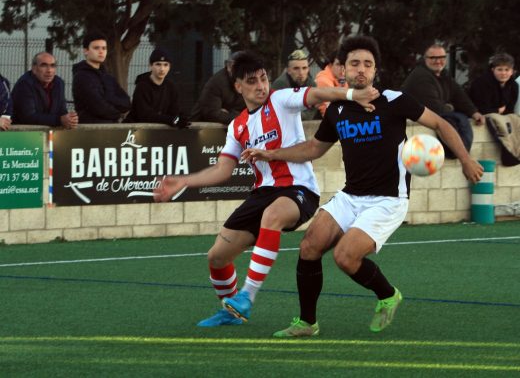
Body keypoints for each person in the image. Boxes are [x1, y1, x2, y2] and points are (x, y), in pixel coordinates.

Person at [241, 36, 483, 337]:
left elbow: (441, 124)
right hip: (350, 195)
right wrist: (272, 154)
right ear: (342, 69)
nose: (361, 70)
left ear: (375, 70)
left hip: (388, 200)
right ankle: (307, 323)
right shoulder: (337, 109)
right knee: (309, 246)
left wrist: (465, 160)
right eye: (354, 63)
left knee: (345, 257)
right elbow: (315, 148)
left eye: (367, 64)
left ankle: (388, 294)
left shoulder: (394, 100)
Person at [154, 50, 378, 327]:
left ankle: (247, 296)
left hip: (299, 191)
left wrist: (351, 96)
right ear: (238, 87)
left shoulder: (281, 100)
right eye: (252, 81)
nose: (261, 86)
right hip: (262, 193)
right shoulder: (237, 126)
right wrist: (184, 181)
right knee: (217, 256)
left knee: (272, 215)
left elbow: (317, 95)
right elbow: (223, 169)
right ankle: (231, 311)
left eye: (263, 79)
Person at [401, 43, 486, 158]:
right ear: (425, 59)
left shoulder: (443, 74)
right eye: (433, 58)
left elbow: (459, 95)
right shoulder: (421, 77)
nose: (438, 61)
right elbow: (436, 109)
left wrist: (474, 112)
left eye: (441, 57)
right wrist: (450, 107)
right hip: (416, 136)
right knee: (457, 118)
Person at [470, 53, 520, 166]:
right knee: (499, 121)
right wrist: (497, 110)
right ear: (493, 70)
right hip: (484, 113)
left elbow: (510, 108)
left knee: (515, 119)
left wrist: (502, 112)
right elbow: (479, 106)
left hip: (505, 115)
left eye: (507, 70)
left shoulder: (513, 86)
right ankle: (509, 155)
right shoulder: (482, 83)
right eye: (500, 69)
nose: (503, 73)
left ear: (512, 71)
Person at [72, 32, 131, 123]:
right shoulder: (81, 77)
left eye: (104, 48)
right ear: (86, 51)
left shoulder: (108, 77)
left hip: (111, 128)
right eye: (96, 48)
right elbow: (97, 107)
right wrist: (118, 113)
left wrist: (107, 98)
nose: (101, 51)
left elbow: (126, 103)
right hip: (90, 130)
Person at [11, 52, 77, 128]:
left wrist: (70, 119)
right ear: (34, 68)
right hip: (23, 133)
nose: (49, 70)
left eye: (52, 66)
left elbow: (62, 111)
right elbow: (28, 117)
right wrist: (59, 120)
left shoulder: (59, 83)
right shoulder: (24, 84)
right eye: (44, 65)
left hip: (49, 133)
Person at [125, 48, 188, 127]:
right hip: (135, 132)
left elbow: (175, 111)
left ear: (169, 67)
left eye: (165, 65)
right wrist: (172, 120)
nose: (162, 69)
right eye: (158, 64)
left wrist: (180, 119)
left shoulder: (171, 87)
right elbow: (145, 115)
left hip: (157, 133)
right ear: (150, 66)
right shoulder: (142, 86)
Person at [189, 52, 246, 125]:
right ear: (229, 67)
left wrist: (231, 114)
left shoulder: (247, 81)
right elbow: (212, 114)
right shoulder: (217, 82)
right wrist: (240, 116)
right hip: (203, 128)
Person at [271, 49, 319, 121]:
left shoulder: (312, 85)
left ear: (308, 69)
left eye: (304, 68)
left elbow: (311, 113)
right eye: (296, 68)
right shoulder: (280, 85)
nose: (301, 73)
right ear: (288, 70)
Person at [315, 50, 347, 117]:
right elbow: (327, 111)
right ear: (330, 65)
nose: (342, 68)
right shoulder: (323, 80)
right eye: (338, 64)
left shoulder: (343, 79)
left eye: (344, 64)